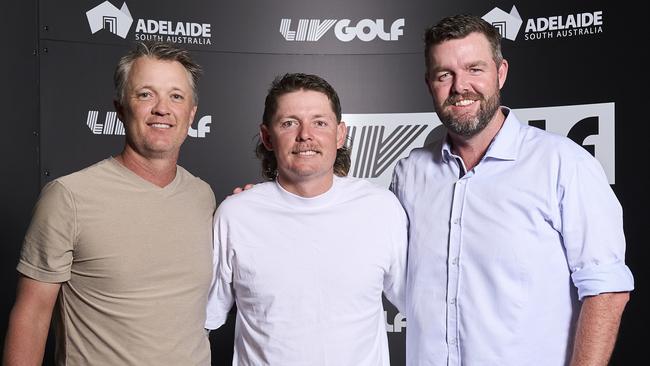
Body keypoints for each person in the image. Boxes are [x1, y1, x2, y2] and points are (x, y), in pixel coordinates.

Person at [390, 14, 634, 366]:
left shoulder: (563, 164)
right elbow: (400, 283)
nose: (460, 86)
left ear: (500, 72)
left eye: (475, 69)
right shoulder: (410, 173)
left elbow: (606, 290)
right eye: (445, 75)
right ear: (430, 83)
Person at [3, 41, 215, 365]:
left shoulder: (203, 196)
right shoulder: (68, 197)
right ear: (120, 109)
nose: (162, 108)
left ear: (191, 115)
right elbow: (31, 317)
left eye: (176, 96)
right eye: (145, 94)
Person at [205, 73, 408, 365]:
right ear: (267, 137)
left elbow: (422, 307)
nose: (305, 135)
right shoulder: (235, 215)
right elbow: (204, 319)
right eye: (289, 123)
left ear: (340, 134)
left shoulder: (382, 209)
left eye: (319, 122)